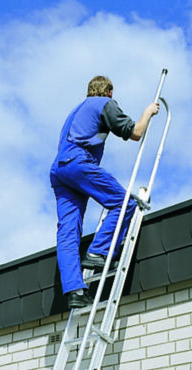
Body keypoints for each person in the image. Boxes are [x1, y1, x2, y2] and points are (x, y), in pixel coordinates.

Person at [50, 75, 160, 309]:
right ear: (109, 92)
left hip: (60, 170)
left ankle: (74, 291)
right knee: (124, 204)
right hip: (78, 163)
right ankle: (99, 252)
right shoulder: (104, 104)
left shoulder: (75, 111)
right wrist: (148, 112)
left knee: (68, 232)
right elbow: (135, 132)